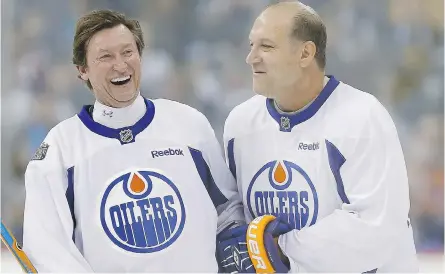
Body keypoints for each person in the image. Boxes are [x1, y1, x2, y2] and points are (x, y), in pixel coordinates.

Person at [22, 9, 245, 272]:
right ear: (82, 70)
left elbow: (229, 211)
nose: (120, 65)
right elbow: (48, 250)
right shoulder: (60, 150)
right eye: (106, 56)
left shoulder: (189, 124)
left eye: (128, 52)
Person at [222, 1, 419, 273]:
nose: (251, 57)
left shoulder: (362, 117)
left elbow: (376, 229)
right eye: (251, 45)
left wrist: (281, 247)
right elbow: (236, 212)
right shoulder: (240, 124)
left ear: (305, 53)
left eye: (266, 47)